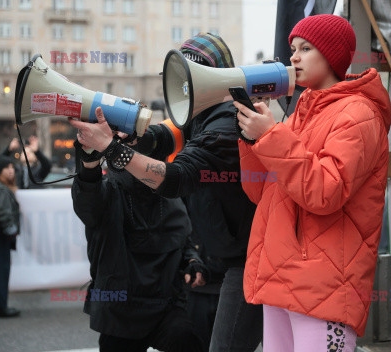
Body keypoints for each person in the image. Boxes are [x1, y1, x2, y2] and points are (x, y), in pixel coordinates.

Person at [69, 33, 263, 352]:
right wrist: (98, 151)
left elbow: (176, 177)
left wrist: (111, 147)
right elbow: (157, 139)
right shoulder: (199, 122)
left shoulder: (225, 125)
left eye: (187, 78)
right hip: (130, 308)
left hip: (236, 267)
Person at [234, 15, 391, 352]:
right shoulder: (301, 111)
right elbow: (259, 191)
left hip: (325, 286)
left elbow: (324, 192)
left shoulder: (359, 113)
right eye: (293, 48)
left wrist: (271, 136)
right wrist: (252, 140)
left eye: (306, 48)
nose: (293, 57)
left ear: (332, 56)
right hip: (282, 277)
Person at [71, 134, 209, 352]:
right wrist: (89, 165)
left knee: (188, 339)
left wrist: (192, 260)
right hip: (120, 310)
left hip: (167, 304)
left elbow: (183, 240)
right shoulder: (109, 192)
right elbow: (88, 201)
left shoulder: (171, 196)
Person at [0, 156, 21, 318]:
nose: (11, 170)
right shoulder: (3, 190)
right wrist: (11, 230)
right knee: (2, 271)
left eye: (12, 167)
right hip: (2, 237)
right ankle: (2, 306)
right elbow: (4, 213)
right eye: (7, 168)